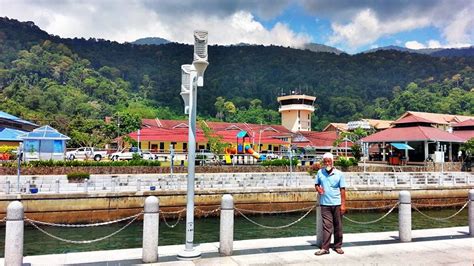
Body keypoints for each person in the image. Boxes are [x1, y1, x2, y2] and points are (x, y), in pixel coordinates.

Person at [314, 152, 347, 256]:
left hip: (337, 204)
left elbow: (342, 190)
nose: (327, 163)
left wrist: (343, 205)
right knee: (327, 226)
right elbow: (316, 184)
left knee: (338, 226)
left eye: (329, 161)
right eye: (325, 161)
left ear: (333, 162)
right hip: (325, 204)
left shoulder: (339, 174)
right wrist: (318, 189)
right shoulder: (320, 172)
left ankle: (338, 246)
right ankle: (325, 248)